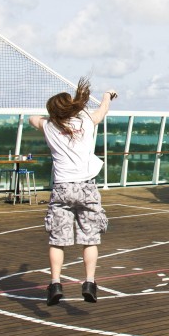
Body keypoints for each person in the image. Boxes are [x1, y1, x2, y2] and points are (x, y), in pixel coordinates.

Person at [28, 78, 117, 306]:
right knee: (90, 238)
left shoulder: (49, 126)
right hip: (86, 186)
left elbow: (32, 119)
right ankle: (89, 282)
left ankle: (56, 283)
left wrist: (53, 118)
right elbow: (102, 110)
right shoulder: (86, 120)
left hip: (62, 188)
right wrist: (107, 95)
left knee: (57, 240)